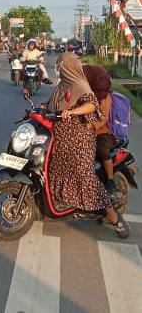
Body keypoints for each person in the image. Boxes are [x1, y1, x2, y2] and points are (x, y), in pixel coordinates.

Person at [46, 53, 129, 238]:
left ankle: (114, 218)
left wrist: (73, 112)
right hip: (62, 141)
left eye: (60, 64)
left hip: (79, 142)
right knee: (58, 171)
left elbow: (91, 105)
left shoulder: (80, 84)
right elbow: (53, 105)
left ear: (69, 66)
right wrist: (42, 108)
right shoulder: (62, 86)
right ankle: (68, 206)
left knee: (85, 180)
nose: (58, 68)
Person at [82, 65, 118, 194]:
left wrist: (91, 125)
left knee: (102, 150)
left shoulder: (104, 96)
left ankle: (110, 180)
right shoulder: (85, 93)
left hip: (102, 132)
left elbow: (104, 117)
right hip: (84, 130)